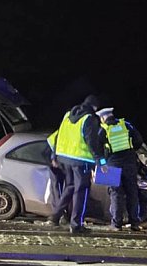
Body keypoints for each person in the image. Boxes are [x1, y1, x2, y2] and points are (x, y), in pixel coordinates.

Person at [46, 95, 107, 234]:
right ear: (95, 107)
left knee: (70, 187)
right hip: (81, 161)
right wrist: (101, 162)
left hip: (64, 159)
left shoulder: (68, 115)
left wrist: (54, 155)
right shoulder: (89, 118)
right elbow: (92, 143)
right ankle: (76, 225)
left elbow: (59, 136)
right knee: (81, 192)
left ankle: (55, 216)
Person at [96, 107, 146, 231]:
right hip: (129, 163)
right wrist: (130, 151)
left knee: (115, 194)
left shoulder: (103, 130)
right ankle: (134, 223)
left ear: (103, 118)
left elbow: (98, 151)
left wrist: (102, 164)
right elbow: (139, 141)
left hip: (112, 164)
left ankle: (116, 224)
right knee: (132, 193)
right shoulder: (126, 125)